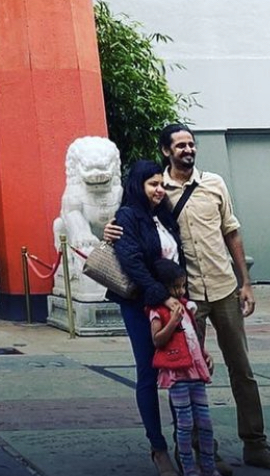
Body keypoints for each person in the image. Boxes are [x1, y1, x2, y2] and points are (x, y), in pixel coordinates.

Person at [159, 123, 270, 473]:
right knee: (187, 375)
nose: (187, 150)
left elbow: (231, 231)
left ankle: (256, 444)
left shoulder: (214, 184)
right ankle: (202, 450)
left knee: (242, 370)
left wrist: (245, 283)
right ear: (165, 152)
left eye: (191, 144)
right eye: (180, 146)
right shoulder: (160, 192)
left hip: (223, 289)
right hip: (187, 296)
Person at [111, 159, 186, 476]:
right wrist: (160, 295)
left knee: (181, 370)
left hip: (173, 301)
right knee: (149, 372)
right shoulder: (127, 216)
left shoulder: (165, 217)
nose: (159, 190)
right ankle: (158, 448)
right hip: (140, 303)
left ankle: (186, 445)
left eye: (162, 184)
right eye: (152, 184)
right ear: (138, 186)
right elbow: (132, 262)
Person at [148, 257, 216, 476]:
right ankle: (189, 468)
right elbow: (157, 340)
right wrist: (173, 321)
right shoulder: (158, 311)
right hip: (177, 375)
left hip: (196, 373)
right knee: (185, 424)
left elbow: (192, 335)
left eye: (183, 286)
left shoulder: (186, 307)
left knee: (204, 423)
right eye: (175, 287)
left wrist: (203, 353)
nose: (180, 291)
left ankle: (208, 466)